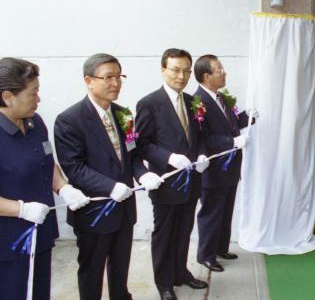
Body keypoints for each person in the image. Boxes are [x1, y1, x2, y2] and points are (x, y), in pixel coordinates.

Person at [54, 53, 163, 300]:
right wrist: (110, 186)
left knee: (120, 267)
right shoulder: (70, 120)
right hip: (95, 212)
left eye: (119, 76)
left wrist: (143, 175)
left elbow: (132, 156)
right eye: (108, 77)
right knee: (92, 271)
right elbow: (74, 167)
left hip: (124, 210)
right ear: (89, 80)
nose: (116, 83)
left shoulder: (123, 114)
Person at [0, 57, 89, 300]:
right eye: (33, 93)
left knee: (39, 292)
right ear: (8, 97)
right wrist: (20, 209)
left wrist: (63, 187)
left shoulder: (34, 122)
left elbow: (46, 161)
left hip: (40, 231)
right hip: (8, 240)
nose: (38, 100)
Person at [135, 48, 209, 300]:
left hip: (192, 182)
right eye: (176, 70)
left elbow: (199, 136)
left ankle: (181, 272)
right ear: (163, 69)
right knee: (164, 234)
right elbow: (142, 143)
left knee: (184, 230)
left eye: (186, 71)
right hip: (166, 182)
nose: (181, 76)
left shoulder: (192, 101)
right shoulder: (149, 103)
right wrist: (169, 157)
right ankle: (164, 282)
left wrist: (200, 154)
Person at [193, 54, 257, 272]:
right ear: (206, 76)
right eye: (219, 69)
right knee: (211, 213)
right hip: (213, 170)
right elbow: (202, 138)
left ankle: (220, 247)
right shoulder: (198, 102)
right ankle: (206, 255)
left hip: (230, 169)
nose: (224, 72)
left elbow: (232, 123)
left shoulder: (222, 98)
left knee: (225, 210)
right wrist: (232, 141)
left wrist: (248, 116)